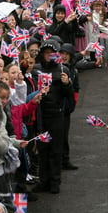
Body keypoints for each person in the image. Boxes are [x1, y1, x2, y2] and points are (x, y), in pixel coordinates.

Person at [33, 39, 74, 194]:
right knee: (43, 150)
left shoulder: (63, 70)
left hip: (57, 115)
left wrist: (66, 84)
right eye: (46, 53)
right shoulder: (36, 70)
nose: (49, 56)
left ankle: (55, 181)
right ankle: (43, 180)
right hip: (41, 114)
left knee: (56, 150)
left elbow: (69, 95)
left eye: (52, 54)